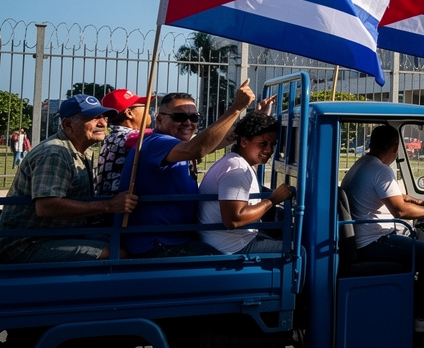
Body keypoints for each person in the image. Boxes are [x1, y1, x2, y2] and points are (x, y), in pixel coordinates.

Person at [120, 83, 257, 258]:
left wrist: (259, 116)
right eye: (179, 117)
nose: (188, 123)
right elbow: (198, 149)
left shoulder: (176, 147)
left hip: (177, 237)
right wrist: (236, 108)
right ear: (160, 119)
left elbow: (219, 140)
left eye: (194, 117)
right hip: (157, 243)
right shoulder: (156, 142)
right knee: (223, 265)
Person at [341, 124, 424, 333]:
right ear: (395, 148)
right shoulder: (381, 170)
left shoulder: (364, 164)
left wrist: (413, 200)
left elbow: (393, 197)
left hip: (363, 238)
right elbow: (400, 212)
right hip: (373, 242)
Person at [0, 95, 138, 263]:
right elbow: (46, 207)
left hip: (54, 236)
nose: (102, 123)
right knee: (118, 253)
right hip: (26, 244)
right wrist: (109, 205)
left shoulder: (81, 150)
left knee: (123, 243)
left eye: (103, 117)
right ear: (67, 125)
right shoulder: (55, 153)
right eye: (92, 118)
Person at [196, 111, 294, 255]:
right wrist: (272, 200)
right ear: (243, 141)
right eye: (263, 144)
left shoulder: (236, 162)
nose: (269, 150)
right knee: (300, 250)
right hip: (231, 247)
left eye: (272, 144)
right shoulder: (237, 169)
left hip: (229, 240)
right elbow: (234, 220)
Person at [93, 88, 151, 196]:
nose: (147, 107)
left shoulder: (111, 136)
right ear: (129, 113)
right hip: (122, 207)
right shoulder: (133, 138)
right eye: (142, 104)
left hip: (108, 206)